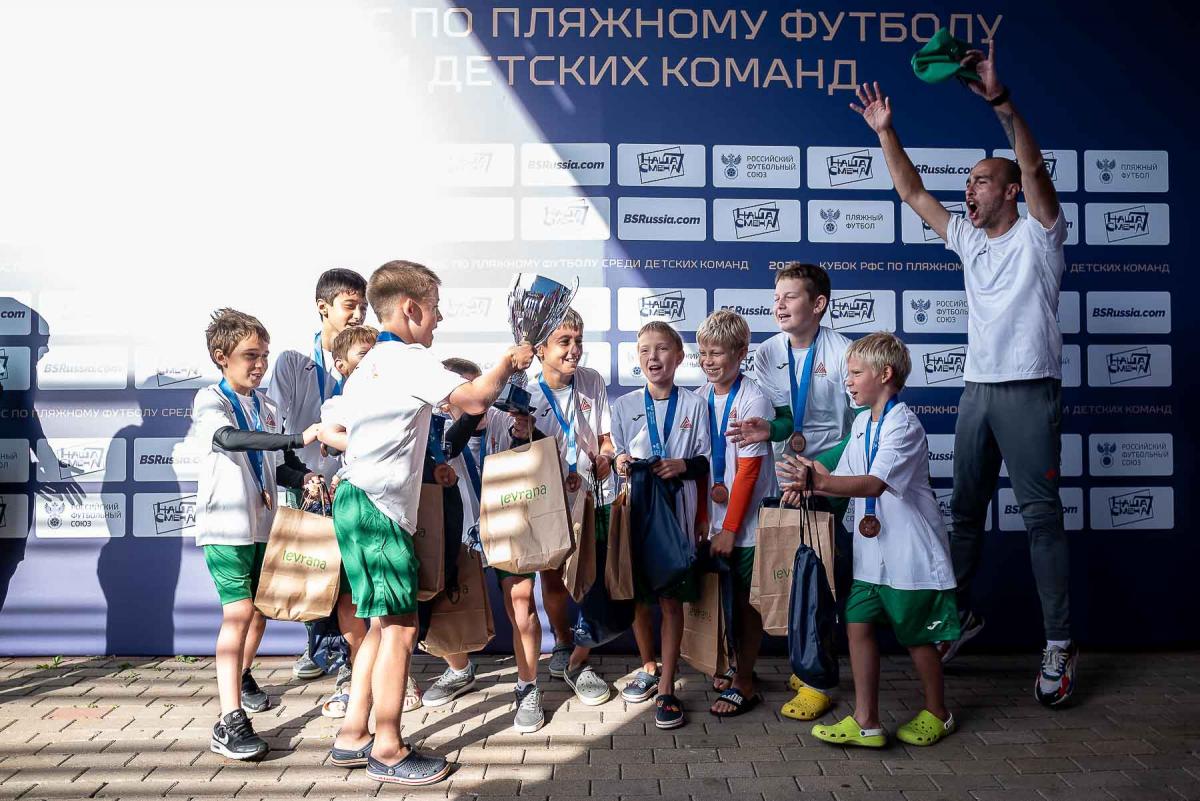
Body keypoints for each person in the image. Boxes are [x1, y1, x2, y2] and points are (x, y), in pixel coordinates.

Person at [851, 38, 1076, 706]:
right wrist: (886, 132)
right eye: (970, 181)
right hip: (978, 390)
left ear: (1010, 191)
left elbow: (1032, 164)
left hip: (1029, 389)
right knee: (966, 517)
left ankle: (1059, 644)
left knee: (1041, 519)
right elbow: (913, 190)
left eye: (980, 180)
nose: (968, 189)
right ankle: (959, 617)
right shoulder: (971, 240)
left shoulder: (1041, 234)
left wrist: (1001, 103)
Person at [319, 260, 533, 785]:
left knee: (379, 625)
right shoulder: (406, 358)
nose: (439, 319)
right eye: (435, 308)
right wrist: (508, 361)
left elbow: (337, 427)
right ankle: (389, 748)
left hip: (356, 501)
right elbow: (475, 398)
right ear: (411, 308)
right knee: (400, 627)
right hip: (378, 510)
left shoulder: (371, 363)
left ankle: (353, 733)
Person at [779, 332, 959, 748]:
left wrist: (817, 481)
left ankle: (939, 713)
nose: (849, 381)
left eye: (856, 373)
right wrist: (808, 484)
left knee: (917, 638)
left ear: (885, 374)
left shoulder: (904, 424)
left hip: (910, 558)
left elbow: (873, 483)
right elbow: (841, 477)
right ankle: (866, 722)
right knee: (857, 624)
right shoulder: (861, 423)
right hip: (871, 558)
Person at [726, 262, 856, 721]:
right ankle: (807, 665)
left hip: (830, 479)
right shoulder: (767, 352)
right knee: (796, 579)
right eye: (776, 297)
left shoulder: (843, 352)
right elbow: (785, 419)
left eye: (790, 297)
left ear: (818, 304)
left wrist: (820, 470)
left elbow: (863, 422)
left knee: (819, 580)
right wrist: (770, 429)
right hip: (786, 481)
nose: (778, 305)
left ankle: (818, 681)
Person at [191, 308, 322, 760]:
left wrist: (304, 476)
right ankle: (229, 722)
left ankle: (241, 675)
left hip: (264, 525)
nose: (261, 364)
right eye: (250, 355)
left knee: (259, 613)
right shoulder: (210, 399)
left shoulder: (267, 406)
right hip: (225, 527)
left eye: (264, 355)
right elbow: (229, 439)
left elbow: (280, 466)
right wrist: (298, 439)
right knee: (239, 613)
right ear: (221, 356)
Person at [265, 268, 368, 682]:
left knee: (351, 575)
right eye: (350, 306)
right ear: (323, 308)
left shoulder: (370, 358)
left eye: (363, 307)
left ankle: (349, 658)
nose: (358, 315)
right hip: (310, 483)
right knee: (315, 568)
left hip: (354, 479)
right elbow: (277, 426)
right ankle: (322, 646)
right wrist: (300, 475)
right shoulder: (294, 362)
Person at [611, 321, 710, 730]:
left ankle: (667, 687)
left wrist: (681, 465)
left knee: (670, 599)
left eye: (663, 348)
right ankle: (648, 666)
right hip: (637, 508)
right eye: (645, 350)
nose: (653, 357)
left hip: (676, 512)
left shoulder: (695, 405)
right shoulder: (624, 405)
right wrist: (619, 461)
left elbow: (705, 461)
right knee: (637, 596)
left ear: (680, 356)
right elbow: (616, 455)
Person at [523, 310, 617, 706]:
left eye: (578, 340)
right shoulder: (525, 392)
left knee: (589, 575)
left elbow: (606, 438)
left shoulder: (592, 381)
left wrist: (606, 457)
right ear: (540, 349)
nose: (574, 349)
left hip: (589, 496)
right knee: (552, 578)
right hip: (545, 497)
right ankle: (563, 643)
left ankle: (581, 655)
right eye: (564, 341)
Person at [694, 310, 773, 717]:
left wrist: (729, 528)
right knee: (719, 599)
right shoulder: (699, 396)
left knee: (746, 602)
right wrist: (703, 520)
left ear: (741, 353)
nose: (709, 361)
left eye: (717, 353)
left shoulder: (753, 398)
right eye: (704, 353)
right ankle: (731, 664)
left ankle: (745, 680)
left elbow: (748, 471)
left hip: (748, 523)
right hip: (713, 519)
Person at [312, 323, 377, 720]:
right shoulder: (337, 404)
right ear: (341, 365)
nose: (372, 363)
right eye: (363, 355)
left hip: (395, 506)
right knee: (350, 595)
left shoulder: (395, 396)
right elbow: (329, 434)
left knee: (391, 598)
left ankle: (397, 674)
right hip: (354, 505)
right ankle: (353, 673)